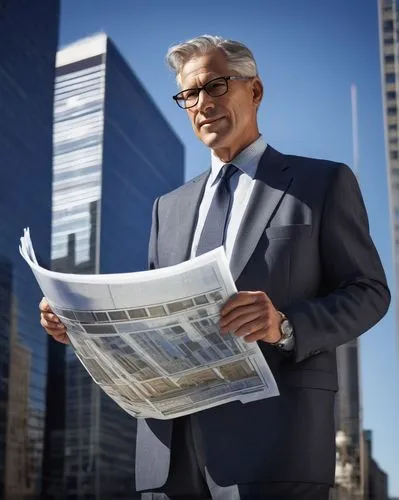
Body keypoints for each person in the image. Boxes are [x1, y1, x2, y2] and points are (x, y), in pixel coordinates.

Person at [40, 35, 390, 500]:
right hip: (169, 454)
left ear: (255, 91)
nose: (202, 104)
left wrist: (284, 324)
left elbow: (369, 291)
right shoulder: (168, 206)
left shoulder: (321, 183)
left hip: (276, 446)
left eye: (216, 86)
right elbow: (150, 320)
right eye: (189, 95)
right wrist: (80, 325)